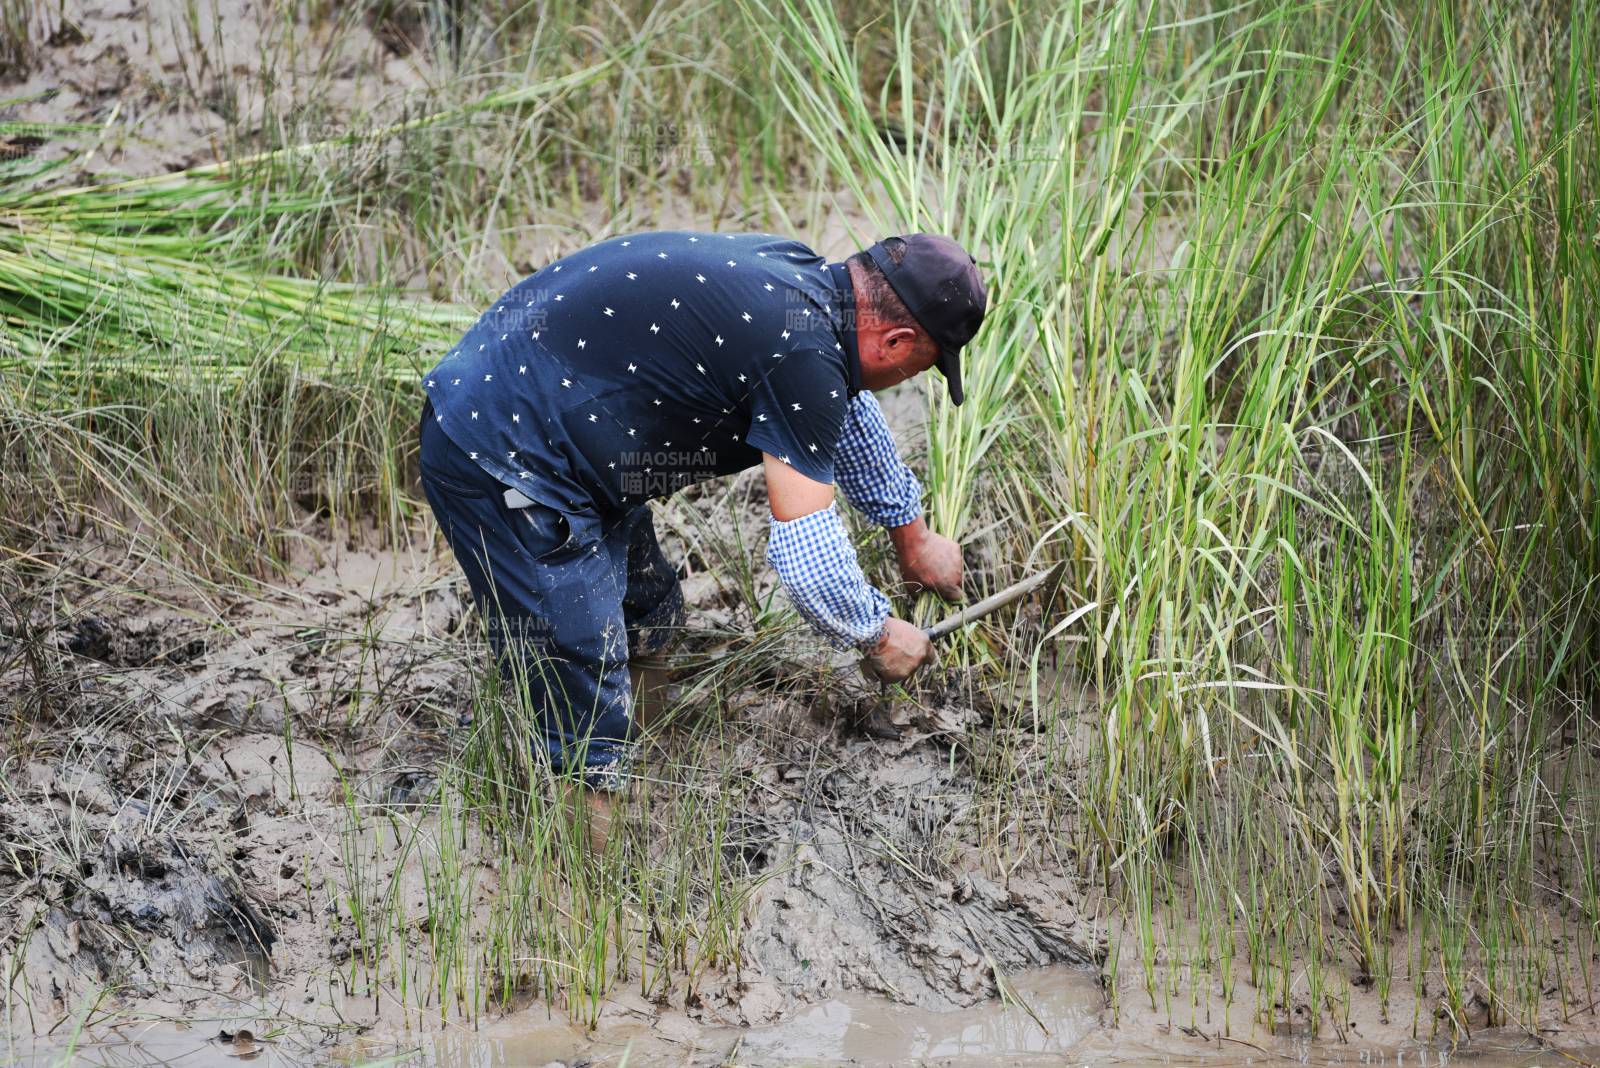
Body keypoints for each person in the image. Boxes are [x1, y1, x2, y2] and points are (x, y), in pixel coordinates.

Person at [417, 230, 987, 790]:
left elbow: (846, 419)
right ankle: (587, 855)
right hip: (500, 451)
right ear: (895, 340)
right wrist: (878, 634)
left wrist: (911, 537)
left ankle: (645, 758)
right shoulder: (805, 353)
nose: (904, 379)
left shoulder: (807, 290)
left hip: (558, 427)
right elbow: (808, 559)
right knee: (581, 675)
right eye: (922, 365)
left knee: (648, 608)